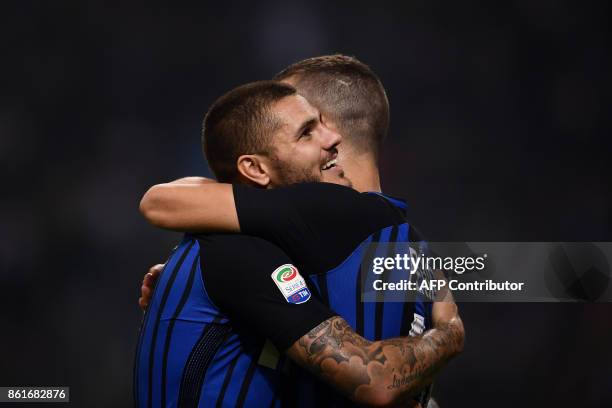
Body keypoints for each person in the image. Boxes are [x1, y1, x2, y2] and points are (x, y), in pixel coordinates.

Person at [137, 62, 463, 407]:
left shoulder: (320, 219)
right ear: (256, 167)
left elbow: (159, 201)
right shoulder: (406, 239)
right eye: (306, 131)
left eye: (316, 125)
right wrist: (449, 331)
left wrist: (190, 275)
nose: (327, 138)